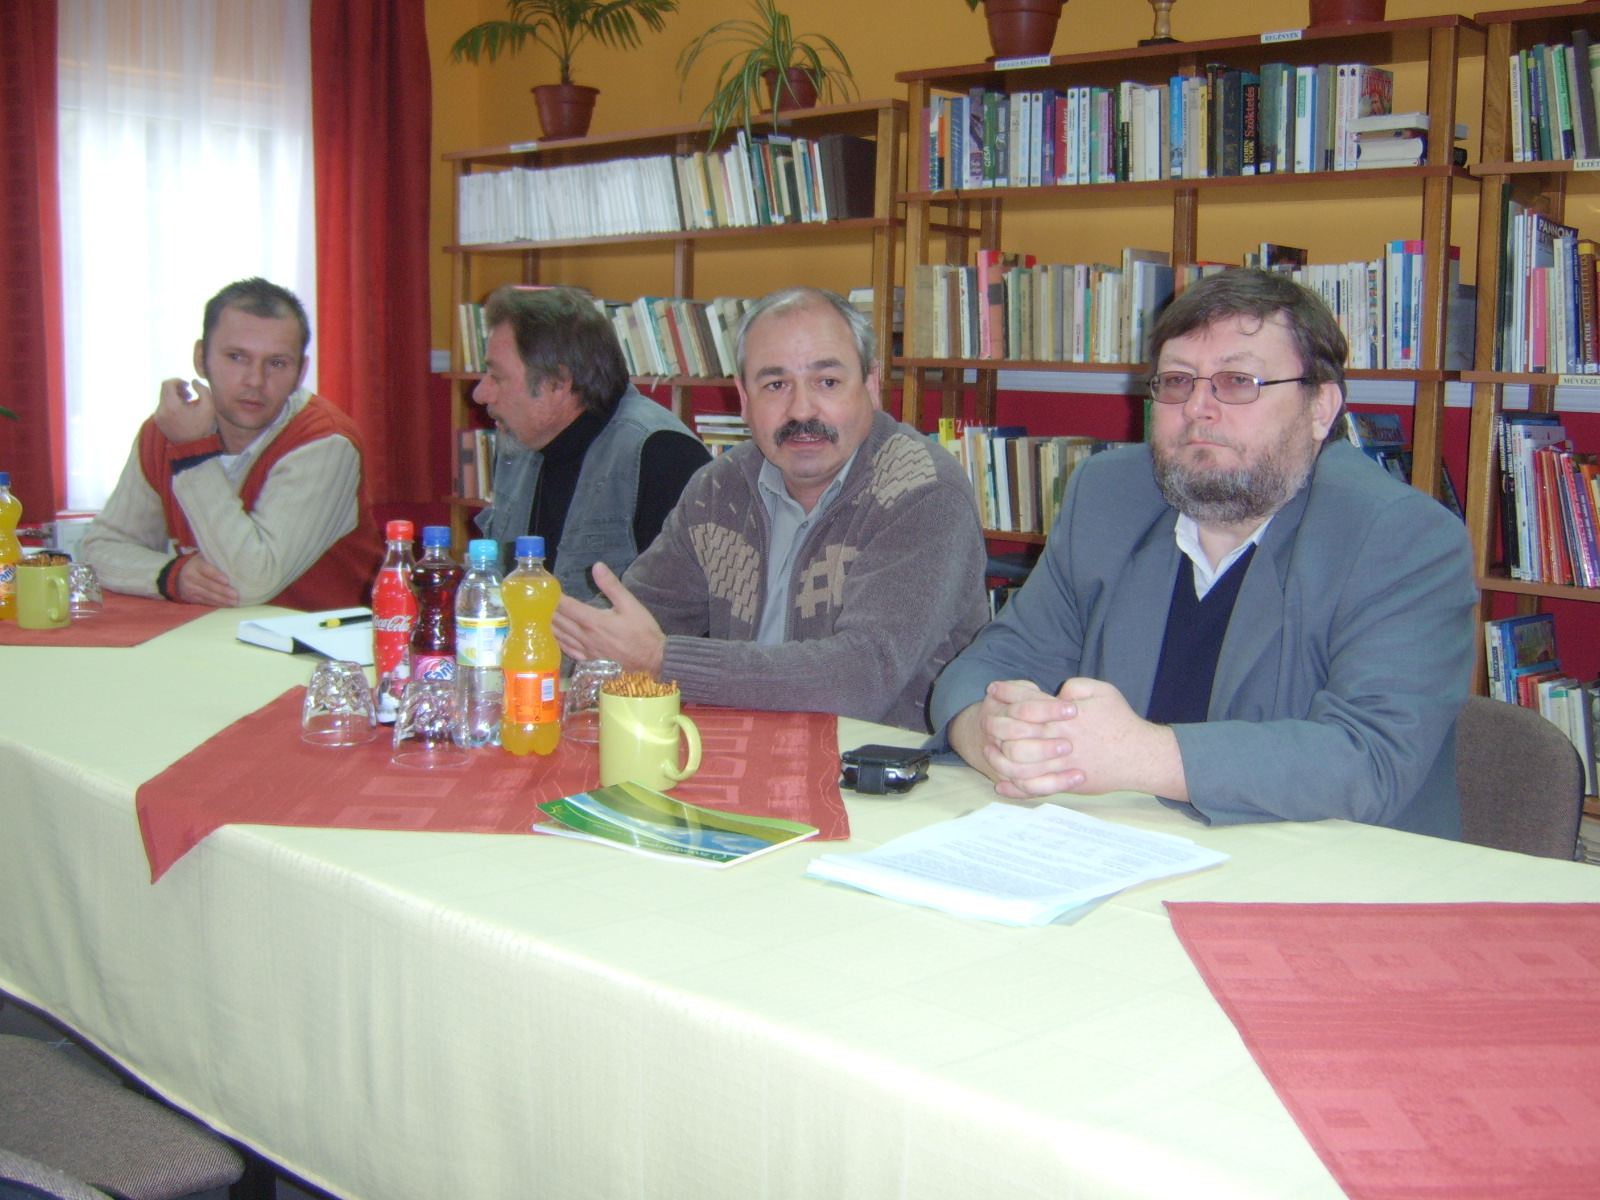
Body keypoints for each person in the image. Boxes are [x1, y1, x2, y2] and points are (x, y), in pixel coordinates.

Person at [931, 268, 1476, 837]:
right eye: (1176, 381)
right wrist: (986, 728)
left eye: (1237, 381)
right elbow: (994, 663)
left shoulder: (1400, 537)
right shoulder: (1110, 495)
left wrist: (1143, 755)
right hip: (1124, 844)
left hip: (1332, 867)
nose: (1197, 407)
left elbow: (1370, 760)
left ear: (1320, 407)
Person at [550, 286, 989, 732]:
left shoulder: (922, 490)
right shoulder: (719, 489)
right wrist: (538, 636)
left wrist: (663, 660)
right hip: (745, 747)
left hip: (883, 762)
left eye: (827, 382)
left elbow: (862, 677)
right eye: (776, 385)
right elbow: (633, 620)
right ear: (744, 398)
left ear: (871, 385)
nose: (801, 409)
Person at [81, 277, 381, 609]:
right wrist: (171, 576)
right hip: (202, 633)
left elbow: (247, 584)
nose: (255, 381)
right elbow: (100, 549)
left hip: (314, 637)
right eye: (236, 357)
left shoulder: (326, 442)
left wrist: (193, 455)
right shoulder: (168, 430)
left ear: (300, 372)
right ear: (201, 358)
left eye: (277, 363)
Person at [471, 286, 710, 600]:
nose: (480, 394)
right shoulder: (519, 445)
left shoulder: (664, 455)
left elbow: (685, 611)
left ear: (557, 383)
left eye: (497, 377)